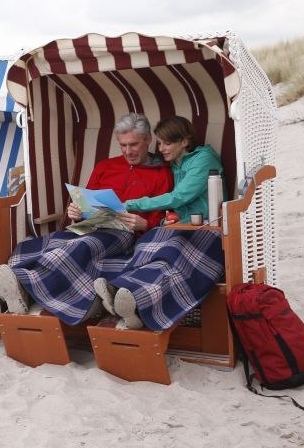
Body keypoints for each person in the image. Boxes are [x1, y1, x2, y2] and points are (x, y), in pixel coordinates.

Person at [0, 113, 173, 325]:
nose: (127, 151)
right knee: (43, 243)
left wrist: (145, 224)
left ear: (148, 140)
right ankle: (15, 283)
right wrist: (76, 211)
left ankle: (23, 284)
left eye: (133, 144)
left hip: (125, 234)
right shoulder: (105, 166)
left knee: (79, 246)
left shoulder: (161, 173)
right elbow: (86, 203)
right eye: (122, 145)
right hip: (91, 225)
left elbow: (162, 219)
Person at [93, 116, 226, 330]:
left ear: (184, 141)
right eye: (160, 143)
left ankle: (132, 299)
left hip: (206, 229)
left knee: (169, 252)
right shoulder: (175, 164)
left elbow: (179, 197)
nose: (161, 149)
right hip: (179, 226)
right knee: (148, 245)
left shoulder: (204, 159)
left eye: (166, 143)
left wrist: (131, 204)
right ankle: (123, 292)